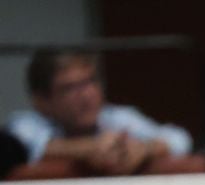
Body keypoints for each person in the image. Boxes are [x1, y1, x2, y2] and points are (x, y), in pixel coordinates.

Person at [6, 48, 191, 174]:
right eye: (70, 88)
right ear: (42, 101)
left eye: (90, 82)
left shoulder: (116, 117)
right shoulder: (25, 124)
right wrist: (91, 148)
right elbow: (22, 147)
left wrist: (143, 148)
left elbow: (179, 138)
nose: (87, 95)